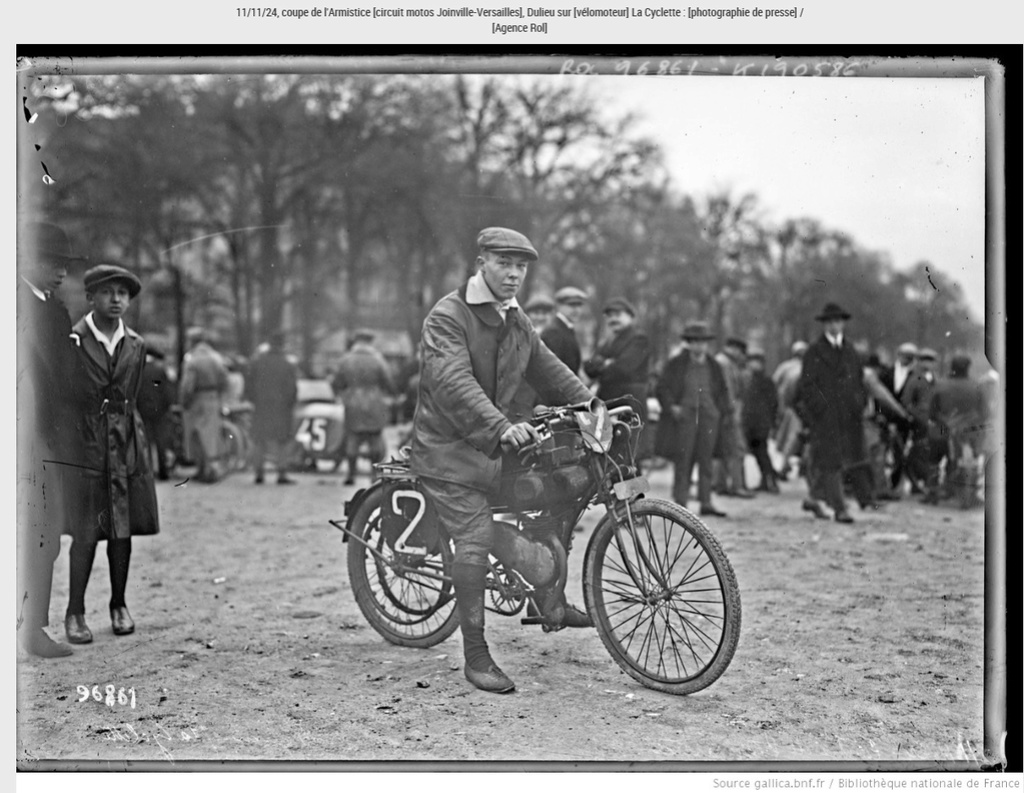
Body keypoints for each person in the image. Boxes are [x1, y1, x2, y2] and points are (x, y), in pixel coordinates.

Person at [410, 226, 594, 694]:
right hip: (449, 449)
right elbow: (454, 382)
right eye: (504, 264)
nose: (514, 274)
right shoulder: (448, 316)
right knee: (473, 537)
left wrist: (594, 409)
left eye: (521, 267)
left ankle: (548, 601)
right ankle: (475, 655)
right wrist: (501, 426)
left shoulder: (516, 319)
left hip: (496, 444)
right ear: (481, 265)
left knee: (558, 492)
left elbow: (550, 368)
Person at [64, 265, 160, 644]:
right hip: (86, 439)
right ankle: (75, 611)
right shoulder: (73, 338)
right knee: (86, 529)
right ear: (91, 297)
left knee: (122, 527)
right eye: (108, 292)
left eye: (123, 293)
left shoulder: (135, 343)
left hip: (124, 441)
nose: (117, 299)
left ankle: (119, 604)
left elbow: (133, 392)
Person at [16, 222, 84, 658]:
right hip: (25, 434)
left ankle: (32, 628)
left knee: (44, 536)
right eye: (52, 263)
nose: (61, 272)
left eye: (64, 265)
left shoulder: (55, 311)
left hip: (49, 441)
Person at [794, 302, 866, 523]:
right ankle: (839, 508)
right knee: (832, 459)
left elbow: (859, 381)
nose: (834, 325)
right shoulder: (814, 351)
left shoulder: (851, 351)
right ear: (824, 325)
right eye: (829, 322)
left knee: (834, 458)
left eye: (837, 321)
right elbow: (806, 386)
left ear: (843, 323)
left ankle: (814, 497)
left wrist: (858, 404)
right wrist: (820, 409)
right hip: (825, 416)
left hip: (847, 415)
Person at [654, 321, 730, 517]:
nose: (699, 346)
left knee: (706, 460)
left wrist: (719, 411)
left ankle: (706, 502)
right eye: (695, 341)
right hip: (685, 417)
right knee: (683, 459)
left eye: (703, 342)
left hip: (709, 417)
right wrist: (672, 407)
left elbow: (723, 391)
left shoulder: (714, 366)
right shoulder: (676, 364)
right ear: (688, 343)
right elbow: (662, 387)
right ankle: (681, 504)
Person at [333, 329, 395, 485]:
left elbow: (337, 382)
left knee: (353, 439)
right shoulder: (378, 360)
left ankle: (351, 474)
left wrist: (343, 394)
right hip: (374, 402)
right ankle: (374, 474)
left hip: (353, 401)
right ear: (370, 342)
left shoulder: (346, 360)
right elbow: (387, 381)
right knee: (375, 439)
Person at [930, 354, 987, 507]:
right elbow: (984, 412)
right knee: (972, 462)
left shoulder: (940, 384)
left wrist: (946, 421)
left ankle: (933, 492)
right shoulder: (976, 386)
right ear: (968, 368)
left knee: (935, 459)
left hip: (944, 431)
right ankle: (969, 495)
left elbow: (932, 412)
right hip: (969, 433)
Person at [246, 330, 299, 485]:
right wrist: (290, 403)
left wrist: (254, 400)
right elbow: (292, 388)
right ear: (282, 345)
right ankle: (281, 473)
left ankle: (259, 473)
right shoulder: (287, 364)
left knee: (259, 440)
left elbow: (249, 384)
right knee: (282, 441)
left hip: (261, 406)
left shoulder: (257, 361)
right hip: (282, 408)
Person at [583, 297, 650, 417]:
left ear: (630, 316)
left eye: (618, 315)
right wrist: (607, 363)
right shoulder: (608, 341)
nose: (613, 319)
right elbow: (588, 366)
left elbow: (623, 368)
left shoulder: (639, 339)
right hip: (609, 402)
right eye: (609, 316)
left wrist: (602, 363)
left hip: (629, 403)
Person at [179, 328, 230, 483]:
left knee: (196, 434)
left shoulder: (192, 359)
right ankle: (208, 468)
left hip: (197, 399)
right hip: (213, 398)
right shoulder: (216, 357)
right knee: (209, 434)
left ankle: (205, 469)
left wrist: (184, 401)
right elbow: (225, 380)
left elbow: (188, 385)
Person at [714, 337, 754, 498]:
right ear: (735, 349)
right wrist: (730, 411)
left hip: (721, 411)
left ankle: (721, 484)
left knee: (724, 449)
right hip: (727, 411)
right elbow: (728, 389)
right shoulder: (725, 364)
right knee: (737, 448)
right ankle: (736, 486)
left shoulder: (722, 361)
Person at [901, 348, 942, 503]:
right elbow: (906, 402)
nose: (927, 363)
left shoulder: (935, 379)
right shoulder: (914, 379)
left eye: (930, 360)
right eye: (924, 360)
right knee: (919, 453)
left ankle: (927, 486)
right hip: (920, 423)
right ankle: (917, 485)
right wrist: (917, 416)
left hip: (934, 423)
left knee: (931, 455)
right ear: (919, 361)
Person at [880, 342, 919, 494]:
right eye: (904, 356)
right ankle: (882, 485)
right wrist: (882, 415)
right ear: (898, 355)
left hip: (904, 422)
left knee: (900, 453)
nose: (906, 360)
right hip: (884, 418)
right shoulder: (886, 373)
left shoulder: (915, 377)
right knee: (882, 452)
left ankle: (894, 484)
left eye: (910, 357)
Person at [741, 350, 779, 493]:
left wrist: (772, 421)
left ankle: (771, 480)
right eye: (751, 361)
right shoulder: (749, 379)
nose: (753, 365)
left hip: (761, 422)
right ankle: (766, 480)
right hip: (751, 422)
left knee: (761, 451)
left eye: (756, 362)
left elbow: (773, 402)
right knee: (757, 451)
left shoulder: (766, 381)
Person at [137, 344, 176, 481]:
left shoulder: (138, 369)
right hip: (159, 410)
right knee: (161, 442)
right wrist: (168, 406)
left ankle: (148, 471)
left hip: (142, 410)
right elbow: (166, 391)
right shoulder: (159, 370)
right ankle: (163, 472)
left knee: (145, 441)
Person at [771, 340, 808, 480]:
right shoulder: (804, 367)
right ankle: (787, 465)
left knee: (791, 438)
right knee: (795, 438)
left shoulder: (785, 367)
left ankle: (789, 464)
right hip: (796, 407)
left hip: (788, 407)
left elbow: (774, 384)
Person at [543, 286, 588, 375]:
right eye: (572, 305)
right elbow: (554, 370)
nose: (577, 310)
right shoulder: (554, 331)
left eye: (579, 305)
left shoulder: (566, 328)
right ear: (559, 306)